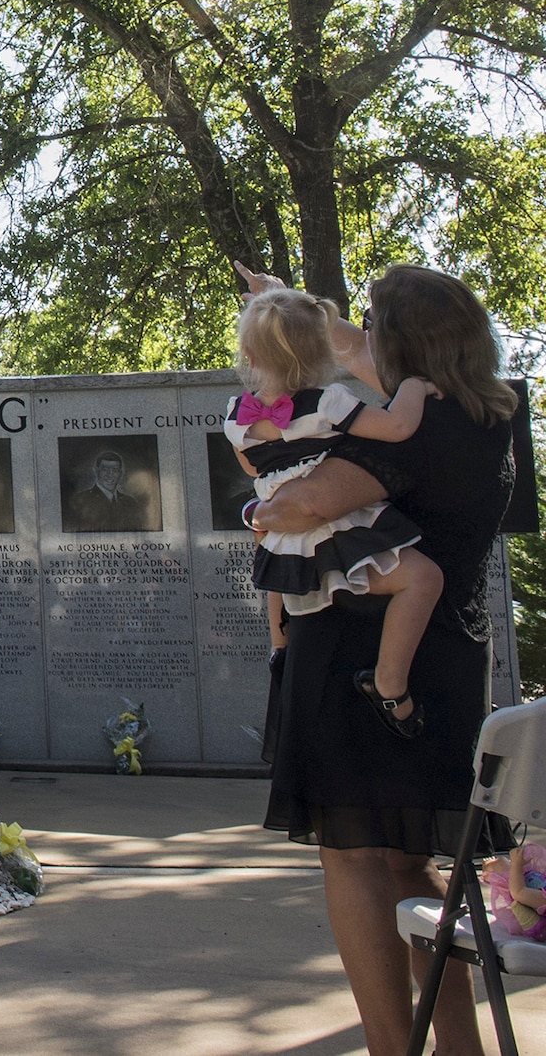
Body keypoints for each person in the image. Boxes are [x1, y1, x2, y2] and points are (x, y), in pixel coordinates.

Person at [248, 261, 519, 1056]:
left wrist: (261, 505)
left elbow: (296, 505)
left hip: (353, 665)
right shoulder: (483, 412)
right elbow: (363, 355)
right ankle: (460, 1047)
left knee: (357, 860)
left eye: (373, 321)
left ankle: (388, 1048)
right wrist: (290, 305)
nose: (362, 336)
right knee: (410, 866)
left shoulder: (401, 434)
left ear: (400, 340)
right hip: (442, 660)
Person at [228, 287, 441, 736]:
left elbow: (250, 465)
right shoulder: (328, 401)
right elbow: (399, 426)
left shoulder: (235, 415)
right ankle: (389, 682)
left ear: (248, 352)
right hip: (334, 527)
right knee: (424, 578)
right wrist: (414, 386)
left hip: (283, 537)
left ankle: (278, 646)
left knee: (269, 551)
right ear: (320, 348)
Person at [62, 449, 155, 530]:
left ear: (120, 473)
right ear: (96, 471)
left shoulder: (130, 503)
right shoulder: (80, 501)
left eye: (115, 470)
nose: (110, 475)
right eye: (105, 470)